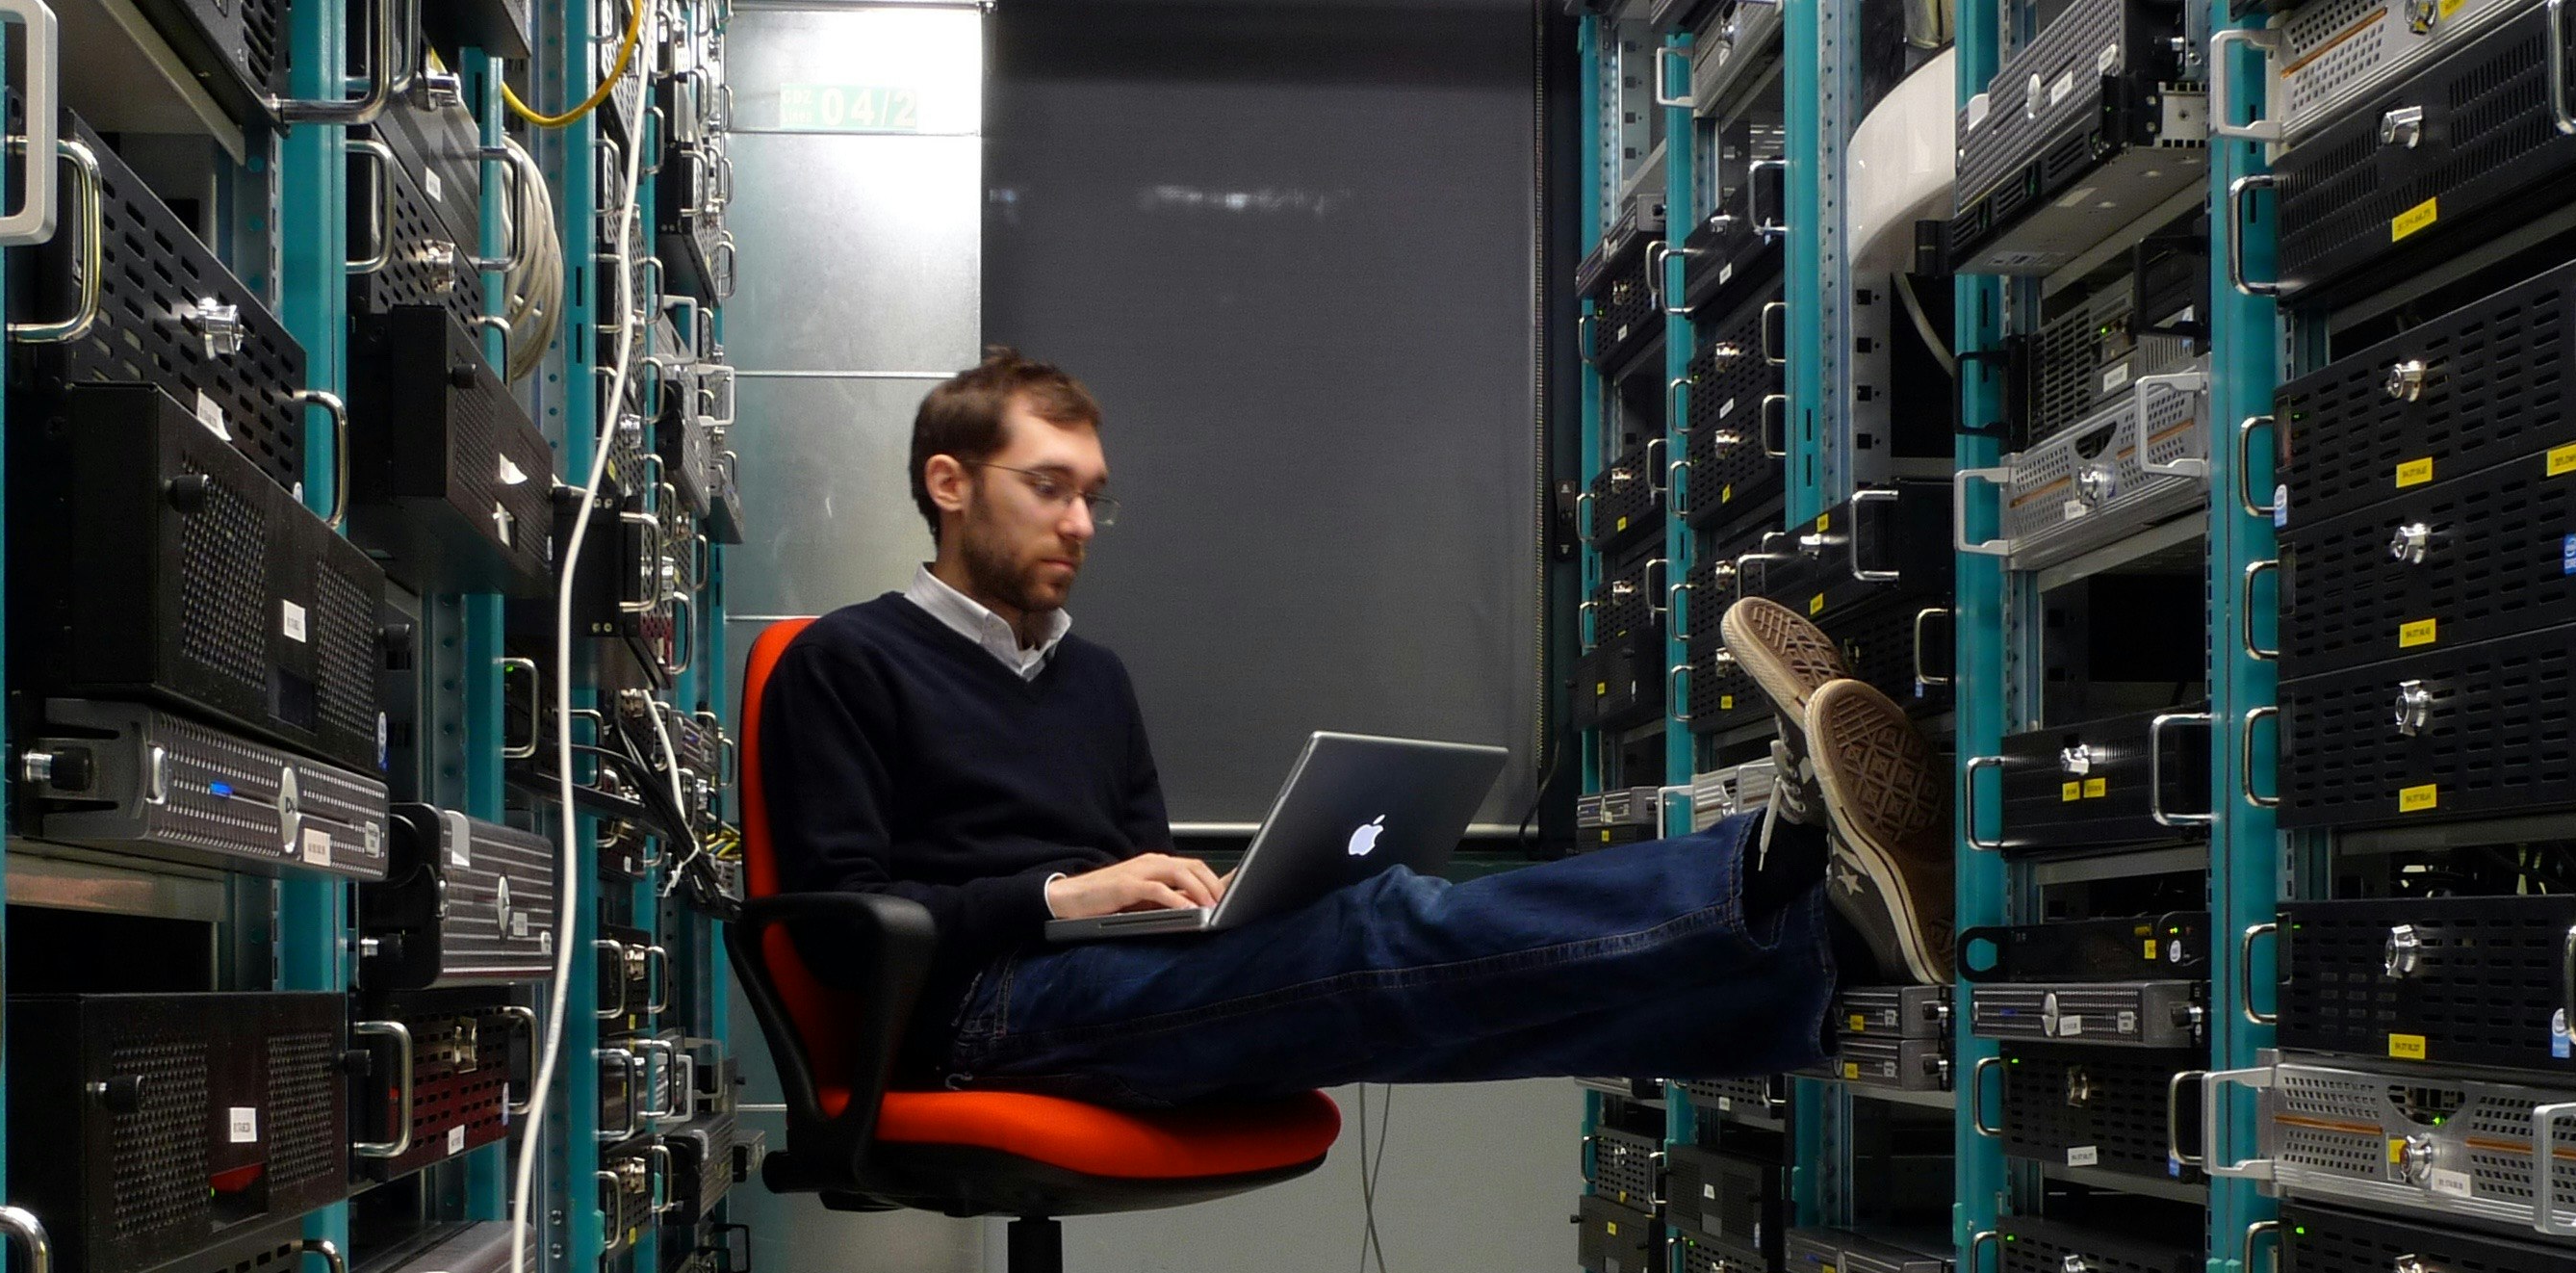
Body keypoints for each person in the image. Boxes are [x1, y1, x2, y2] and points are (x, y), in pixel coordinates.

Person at [755, 349, 1953, 1110]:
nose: (1079, 520)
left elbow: (1144, 873)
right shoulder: (843, 661)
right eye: (1049, 486)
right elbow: (841, 928)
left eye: (1092, 496)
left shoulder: (1093, 678)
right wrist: (1062, 896)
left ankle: (1830, 931)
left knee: (1465, 1005)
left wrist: (1194, 893)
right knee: (1381, 938)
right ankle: (1778, 869)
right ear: (950, 483)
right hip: (971, 1017)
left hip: (1102, 984)